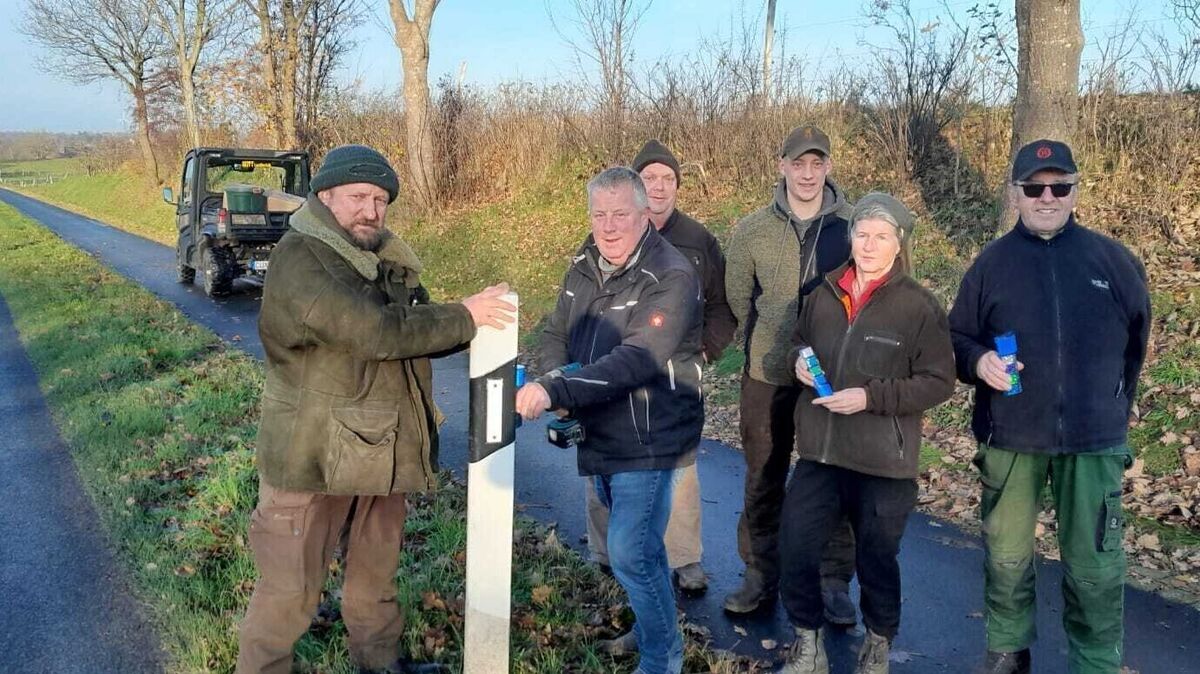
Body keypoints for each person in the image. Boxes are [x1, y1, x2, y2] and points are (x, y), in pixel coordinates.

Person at [236, 144, 515, 674]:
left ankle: (381, 664)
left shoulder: (380, 259)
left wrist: (480, 319)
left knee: (374, 578)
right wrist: (464, 316)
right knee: (288, 590)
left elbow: (415, 329)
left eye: (381, 200)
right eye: (359, 196)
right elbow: (374, 331)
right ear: (325, 196)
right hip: (313, 454)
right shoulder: (301, 257)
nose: (371, 210)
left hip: (379, 448)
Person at [950, 140, 1150, 674]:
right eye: (1034, 187)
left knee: (1095, 567)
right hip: (1011, 437)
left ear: (1075, 191)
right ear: (1015, 194)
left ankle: (1095, 662)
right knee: (1007, 556)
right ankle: (1007, 649)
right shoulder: (990, 264)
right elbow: (957, 337)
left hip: (1093, 441)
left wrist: (1113, 407)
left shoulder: (1113, 261)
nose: (1047, 197)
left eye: (1059, 187)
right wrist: (978, 362)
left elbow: (1136, 346)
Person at [516, 166, 703, 674]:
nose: (609, 225)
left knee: (628, 551)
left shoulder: (671, 275)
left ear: (645, 215)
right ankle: (653, 628)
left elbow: (636, 360)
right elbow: (556, 331)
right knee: (642, 549)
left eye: (620, 213)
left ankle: (662, 660)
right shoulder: (584, 264)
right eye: (599, 214)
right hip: (599, 428)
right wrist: (555, 377)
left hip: (650, 434)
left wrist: (557, 390)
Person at [779, 193, 955, 674]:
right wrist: (797, 361)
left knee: (877, 559)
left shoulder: (919, 306)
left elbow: (939, 381)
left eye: (882, 236)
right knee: (794, 546)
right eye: (862, 234)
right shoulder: (823, 293)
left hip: (883, 461)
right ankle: (808, 645)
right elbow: (799, 341)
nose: (870, 245)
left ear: (899, 244)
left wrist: (870, 397)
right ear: (851, 237)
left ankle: (877, 644)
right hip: (821, 453)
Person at [583, 140, 736, 603]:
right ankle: (603, 554)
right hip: (616, 374)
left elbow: (723, 305)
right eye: (650, 178)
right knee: (603, 462)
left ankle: (684, 558)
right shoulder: (607, 236)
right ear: (636, 187)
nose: (660, 186)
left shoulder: (698, 240)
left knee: (679, 471)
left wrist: (705, 350)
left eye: (668, 178)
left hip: (675, 379)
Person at [723, 124, 858, 620]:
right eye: (798, 163)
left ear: (828, 167)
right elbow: (738, 298)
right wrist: (768, 341)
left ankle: (833, 579)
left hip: (835, 373)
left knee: (835, 476)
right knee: (764, 474)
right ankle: (760, 572)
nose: (807, 173)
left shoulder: (854, 226)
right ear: (781, 166)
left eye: (816, 163)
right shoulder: (752, 230)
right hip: (768, 373)